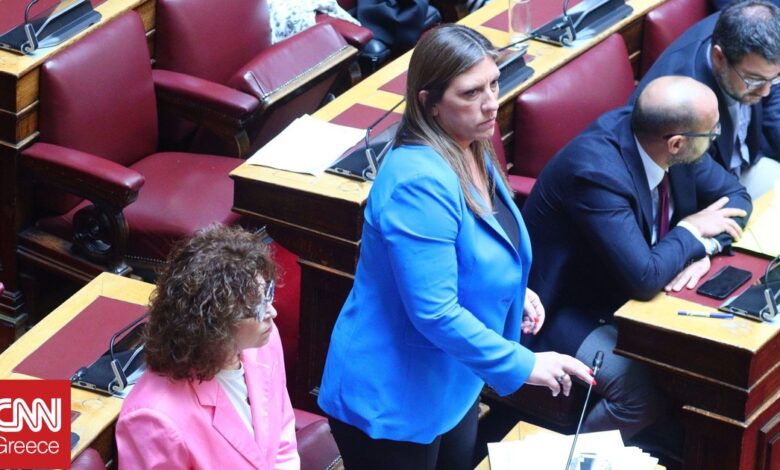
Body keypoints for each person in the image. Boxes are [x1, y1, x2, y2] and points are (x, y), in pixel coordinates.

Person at [317, 24, 594, 470]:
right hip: (394, 395)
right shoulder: (417, 182)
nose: (491, 102)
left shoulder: (470, 145)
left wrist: (512, 289)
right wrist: (524, 364)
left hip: (453, 379)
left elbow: (476, 246)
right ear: (429, 102)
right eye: (471, 93)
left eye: (494, 84)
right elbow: (434, 311)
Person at [522, 76, 752, 440]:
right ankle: (573, 460)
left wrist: (704, 250)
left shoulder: (671, 141)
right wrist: (690, 232)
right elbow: (644, 278)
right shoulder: (596, 173)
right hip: (560, 310)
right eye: (713, 132)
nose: (716, 137)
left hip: (624, 291)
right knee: (640, 394)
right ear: (676, 143)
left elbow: (736, 198)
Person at [116, 225, 299, 469]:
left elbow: (282, 436)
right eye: (255, 307)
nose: (272, 312)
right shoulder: (154, 420)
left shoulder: (264, 343)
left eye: (267, 293)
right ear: (214, 323)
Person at [633, 0, 780, 199]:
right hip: (708, 193)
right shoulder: (680, 106)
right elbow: (690, 181)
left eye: (774, 78)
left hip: (748, 162)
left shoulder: (752, 49)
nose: (765, 91)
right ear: (719, 58)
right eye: (754, 80)